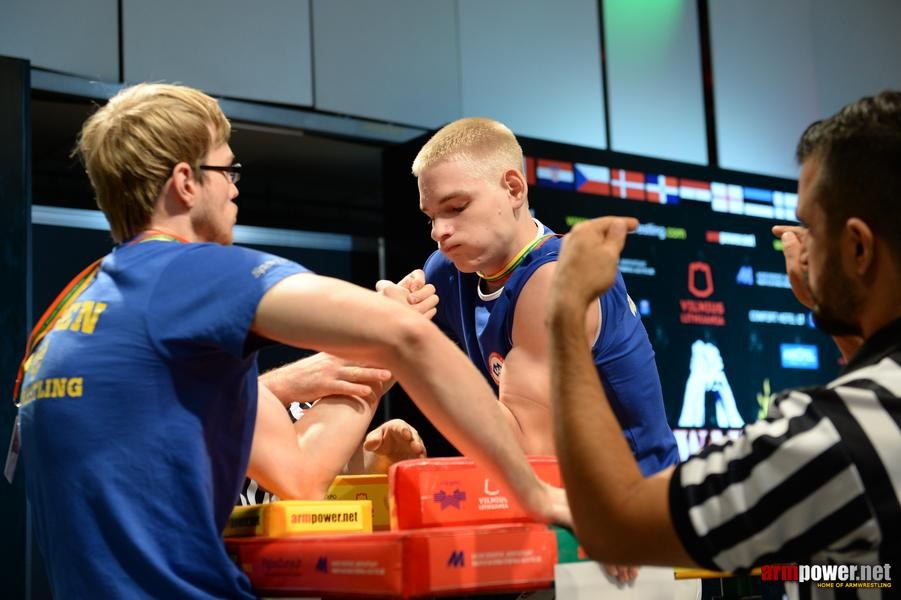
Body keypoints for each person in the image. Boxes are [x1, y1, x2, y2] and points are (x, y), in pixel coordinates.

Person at [15, 83, 568, 599]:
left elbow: (299, 474)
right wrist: (534, 490)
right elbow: (403, 336)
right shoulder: (197, 274)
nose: (234, 189)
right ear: (186, 183)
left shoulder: (67, 312)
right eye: (227, 169)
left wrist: (361, 362)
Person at [548, 91, 901, 597]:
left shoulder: (832, 436)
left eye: (812, 228)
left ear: (859, 248)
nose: (803, 245)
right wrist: (844, 317)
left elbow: (616, 527)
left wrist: (566, 311)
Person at [390, 117, 678, 474]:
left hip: (636, 507)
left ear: (513, 189)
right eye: (431, 217)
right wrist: (382, 332)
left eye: (457, 207)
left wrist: (410, 342)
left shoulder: (556, 278)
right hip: (556, 500)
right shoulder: (447, 271)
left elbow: (531, 453)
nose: (439, 231)